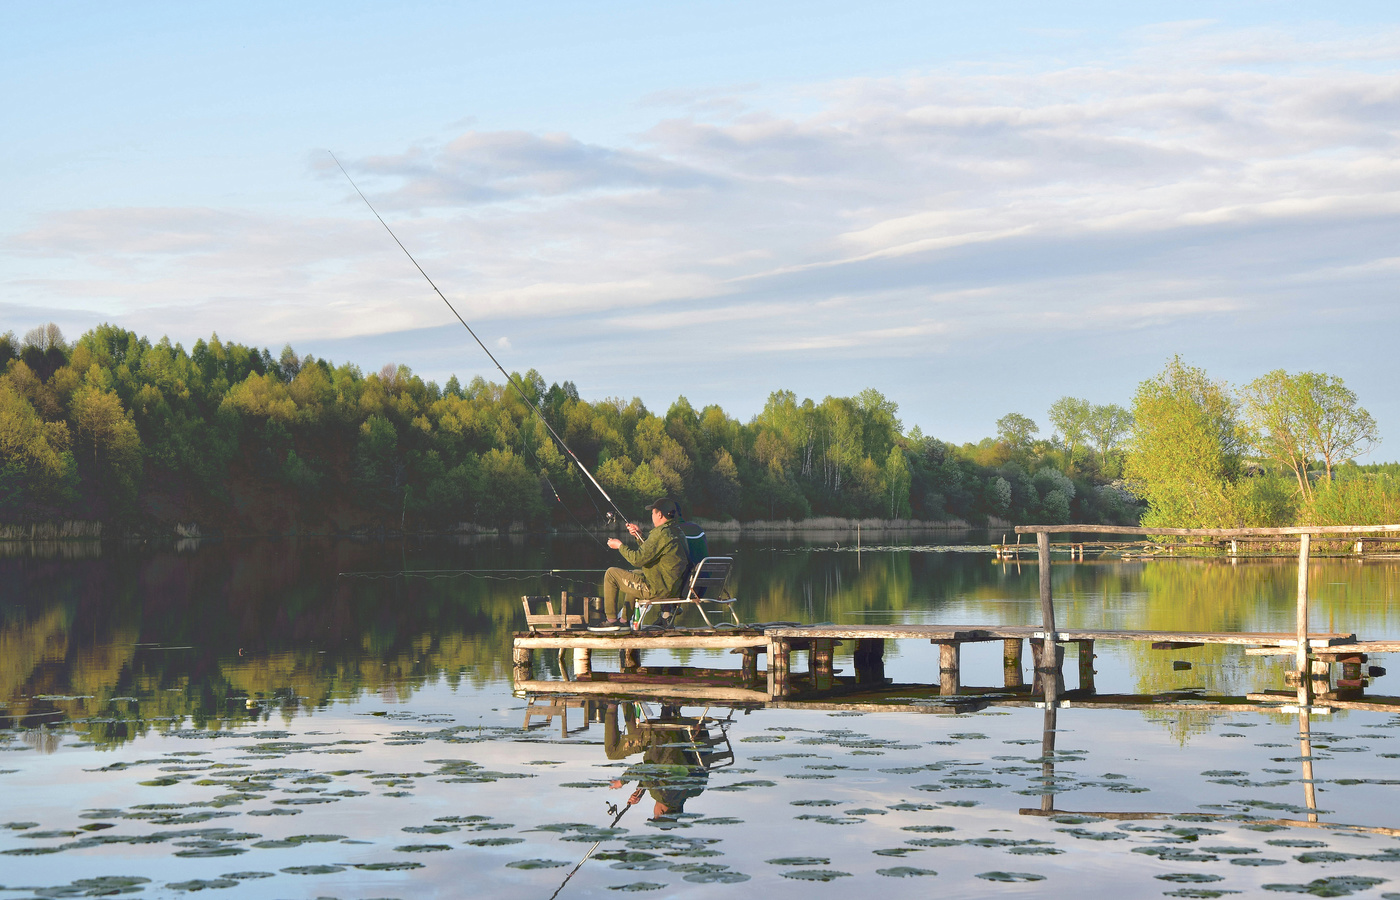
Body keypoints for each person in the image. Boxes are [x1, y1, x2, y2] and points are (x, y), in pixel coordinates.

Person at [598, 497, 689, 627]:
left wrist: (619, 546)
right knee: (635, 574)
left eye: (652, 513)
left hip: (659, 590)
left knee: (611, 574)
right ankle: (624, 621)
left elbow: (637, 559)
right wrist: (638, 535)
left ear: (659, 514)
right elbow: (651, 553)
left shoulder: (661, 533)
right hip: (672, 588)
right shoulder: (677, 532)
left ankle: (611, 621)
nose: (652, 516)